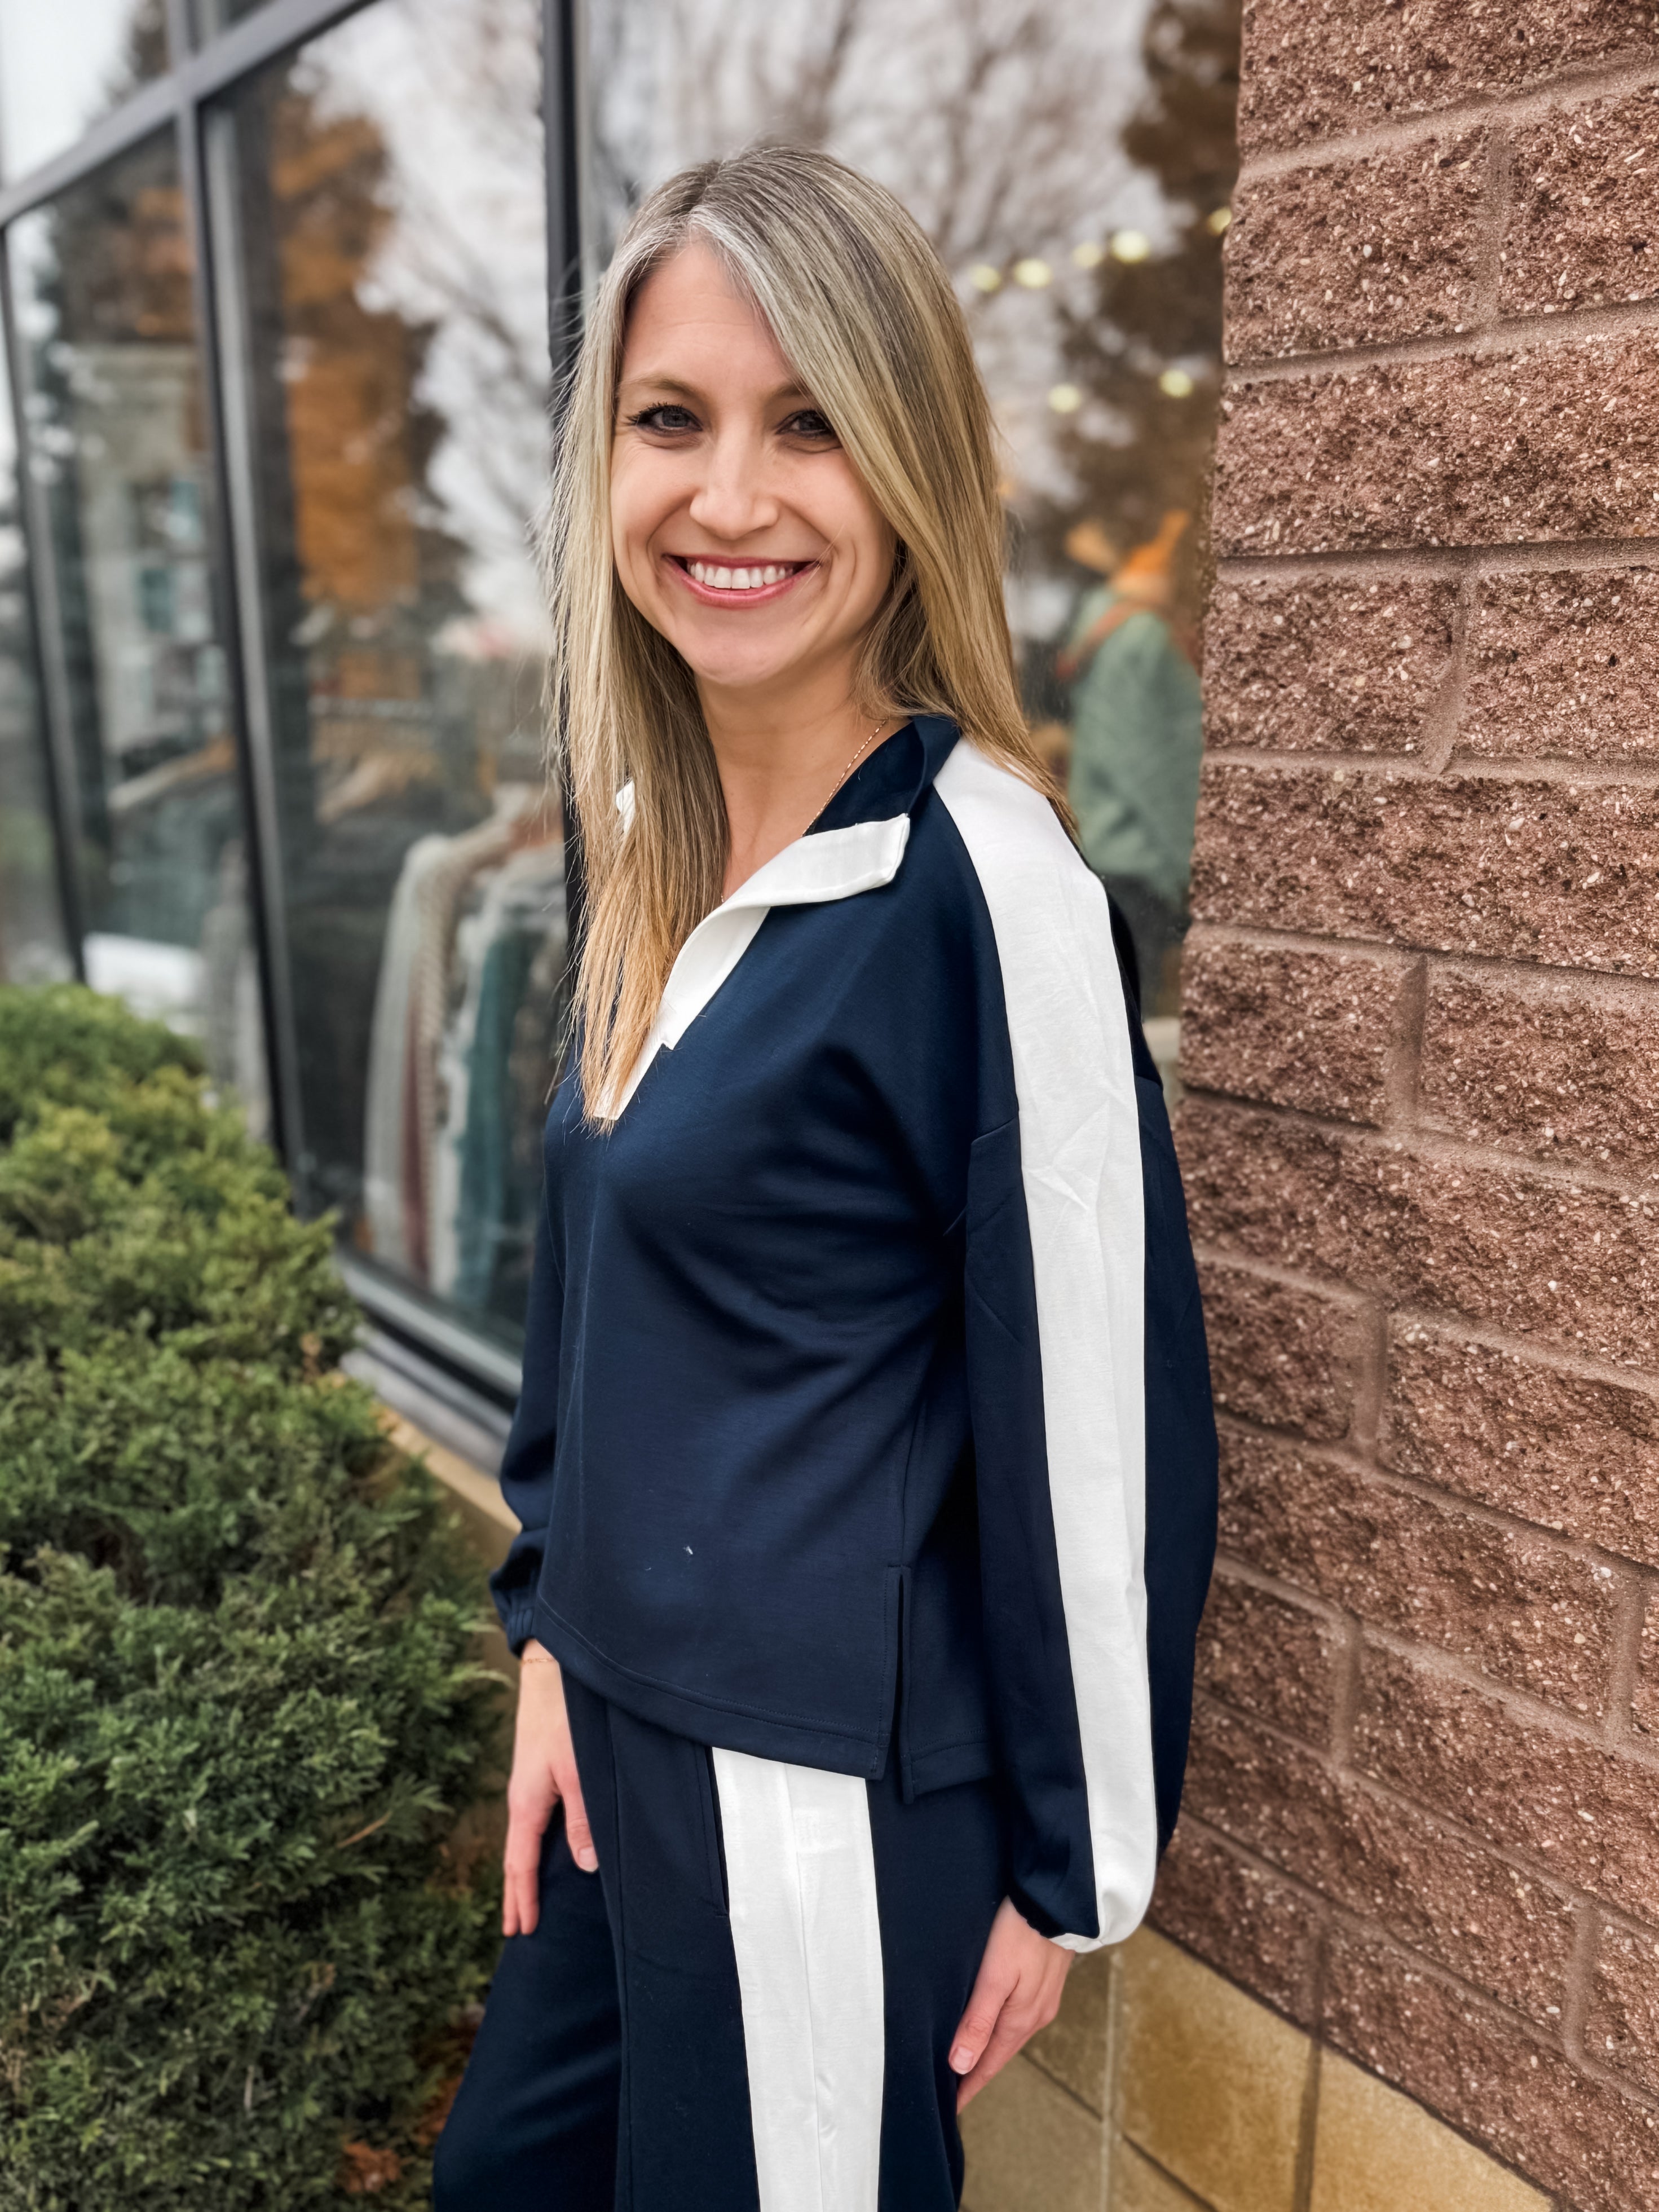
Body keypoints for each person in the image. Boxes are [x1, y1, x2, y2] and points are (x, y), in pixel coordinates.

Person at [434, 145, 1215, 2212]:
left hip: (808, 1793)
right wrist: (550, 1628)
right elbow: (593, 1287)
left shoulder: (988, 889)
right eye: (669, 418)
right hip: (616, 1719)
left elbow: (1092, 1416)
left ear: (907, 460)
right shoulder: (647, 834)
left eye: (807, 425)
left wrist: (1065, 1867)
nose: (728, 497)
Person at [1059, 510, 1203, 1012]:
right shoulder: (1141, 636)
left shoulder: (1110, 625)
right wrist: (1195, 867)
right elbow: (1150, 765)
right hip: (1139, 863)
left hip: (1108, 852)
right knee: (1131, 1024)